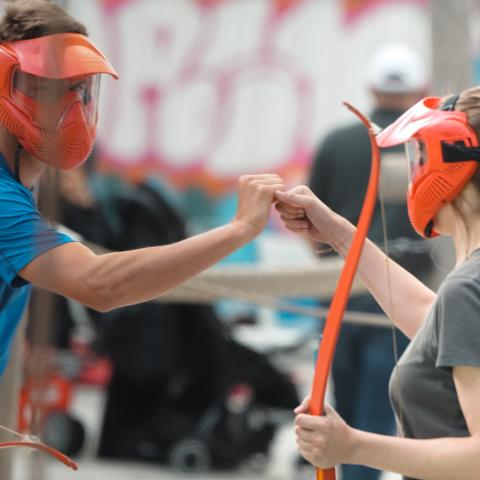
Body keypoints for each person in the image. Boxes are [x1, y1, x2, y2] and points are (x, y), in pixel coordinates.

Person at [0, 0, 284, 380]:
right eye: (49, 90)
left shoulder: (17, 188)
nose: (73, 108)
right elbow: (100, 284)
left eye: (80, 90)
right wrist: (240, 229)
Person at [275, 88, 480, 479]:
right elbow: (434, 324)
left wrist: (351, 445)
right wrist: (340, 234)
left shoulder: (468, 287)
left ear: (452, 166)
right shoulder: (469, 287)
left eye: (420, 155)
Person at [307, 44, 433, 480]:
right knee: (377, 410)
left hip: (338, 293)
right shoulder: (426, 148)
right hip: (402, 298)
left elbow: (310, 224)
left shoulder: (337, 142)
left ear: (370, 87)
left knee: (339, 406)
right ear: (420, 88)